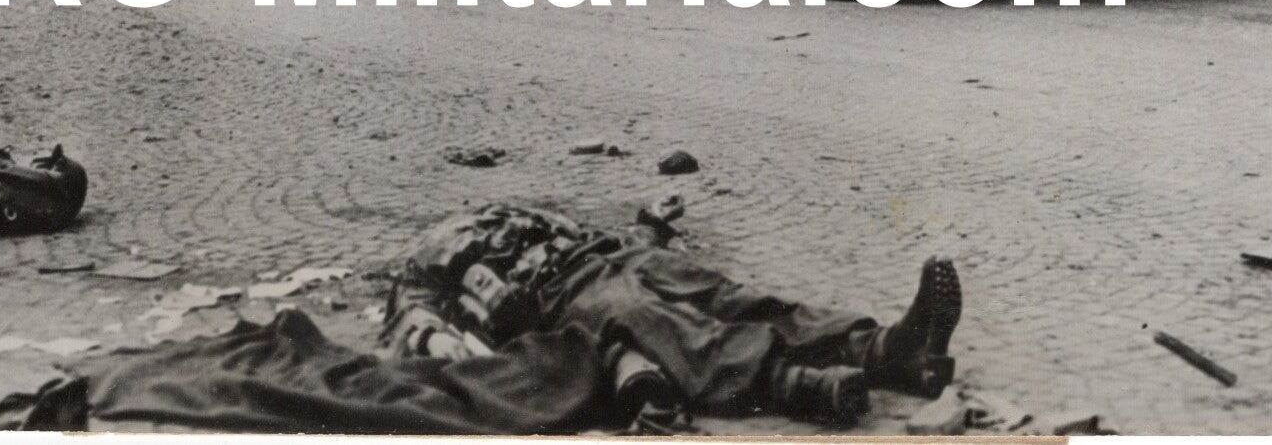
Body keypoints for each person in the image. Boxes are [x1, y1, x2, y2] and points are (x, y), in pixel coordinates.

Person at [383, 201, 961, 429]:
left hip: (614, 255)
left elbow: (601, 235)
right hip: (560, 294)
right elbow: (413, 318)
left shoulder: (519, 211)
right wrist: (438, 340)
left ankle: (886, 349)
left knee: (732, 298)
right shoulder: (428, 259)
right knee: (658, 324)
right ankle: (791, 383)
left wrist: (649, 230)